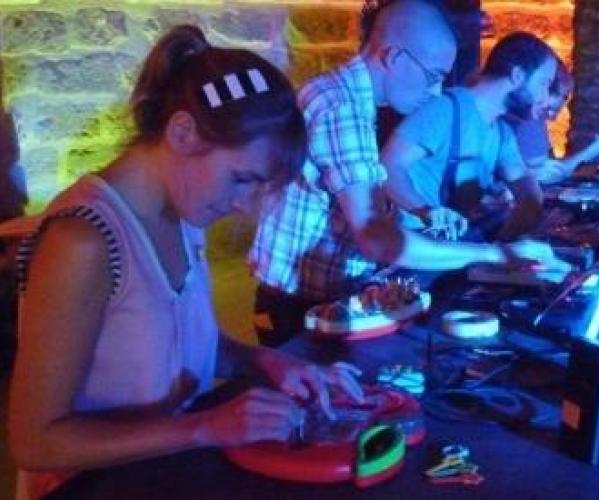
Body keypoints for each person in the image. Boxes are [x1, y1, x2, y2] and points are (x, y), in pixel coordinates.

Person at [8, 25, 364, 500]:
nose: (246, 207)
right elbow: (34, 442)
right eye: (243, 179)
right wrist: (205, 426)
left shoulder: (183, 210)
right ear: (182, 132)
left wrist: (267, 361)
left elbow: (183, 343)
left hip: (165, 474)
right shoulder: (84, 241)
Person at [249, 1, 557, 348]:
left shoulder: (346, 96)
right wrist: (496, 254)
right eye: (433, 77)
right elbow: (376, 237)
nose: (435, 92)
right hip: (298, 308)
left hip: (319, 296)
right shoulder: (342, 106)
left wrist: (420, 211)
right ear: (394, 58)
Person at [382, 31, 556, 242]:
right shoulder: (445, 110)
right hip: (413, 244)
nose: (546, 98)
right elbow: (387, 166)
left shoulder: (501, 131)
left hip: (451, 246)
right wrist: (425, 210)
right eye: (544, 83)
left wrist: (526, 208)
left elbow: (521, 179)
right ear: (518, 75)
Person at [509, 59, 599, 184]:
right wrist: (595, 149)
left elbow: (548, 169)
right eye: (551, 109)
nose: (552, 117)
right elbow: (548, 176)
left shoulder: (536, 119)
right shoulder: (530, 122)